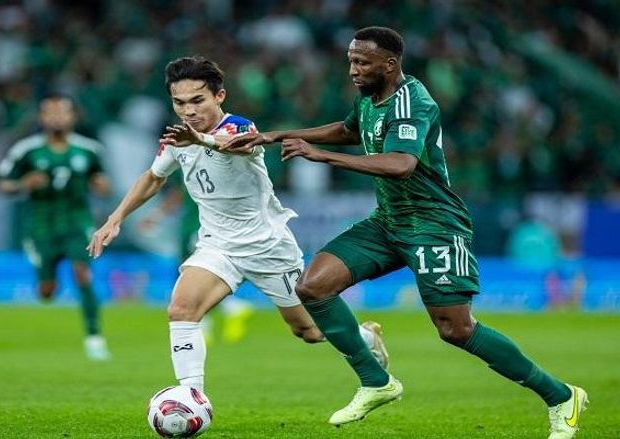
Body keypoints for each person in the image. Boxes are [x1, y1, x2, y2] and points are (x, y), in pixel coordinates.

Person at [224, 27, 587, 439]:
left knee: (456, 329)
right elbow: (350, 130)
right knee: (313, 286)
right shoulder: (369, 97)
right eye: (350, 60)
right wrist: (279, 135)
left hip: (434, 224)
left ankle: (561, 396)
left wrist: (321, 157)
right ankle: (376, 381)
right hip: (389, 221)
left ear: (389, 64)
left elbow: (400, 164)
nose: (352, 70)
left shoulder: (414, 102)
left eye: (362, 62)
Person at [87, 56, 388, 391]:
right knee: (182, 309)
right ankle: (191, 396)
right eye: (179, 103)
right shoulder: (178, 138)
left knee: (309, 331)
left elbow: (236, 148)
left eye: (197, 100)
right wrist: (115, 219)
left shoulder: (240, 127)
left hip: (267, 246)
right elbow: (154, 177)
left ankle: (364, 336)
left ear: (219, 96)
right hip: (217, 246)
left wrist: (199, 140)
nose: (188, 111)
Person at [0, 93, 111, 361]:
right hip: (41, 227)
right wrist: (23, 184)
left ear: (73, 117)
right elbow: (2, 183)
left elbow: (103, 184)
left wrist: (101, 186)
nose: (57, 117)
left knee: (82, 273)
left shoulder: (89, 150)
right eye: (51, 112)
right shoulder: (26, 150)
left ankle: (94, 338)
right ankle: (47, 282)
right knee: (47, 291)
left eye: (63, 112)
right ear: (42, 117)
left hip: (77, 223)